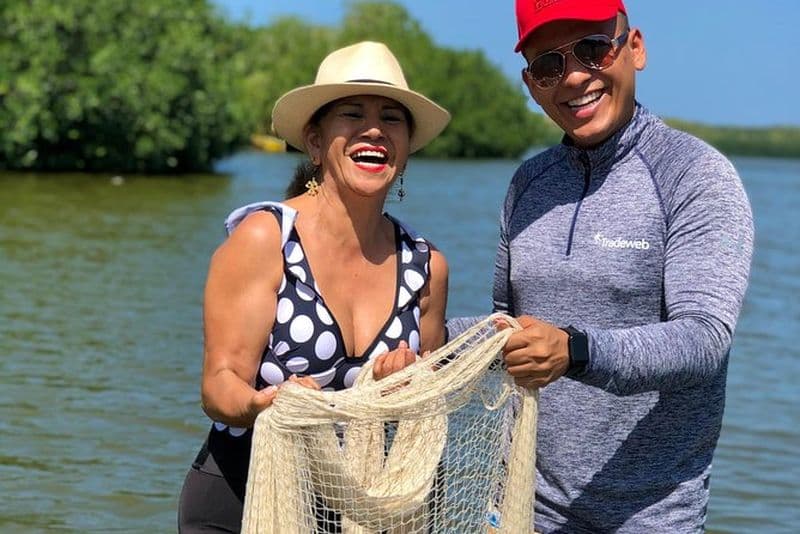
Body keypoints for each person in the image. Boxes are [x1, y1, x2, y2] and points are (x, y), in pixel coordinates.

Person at [452, 1, 753, 532]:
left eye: (593, 48)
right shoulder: (527, 185)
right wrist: (419, 336)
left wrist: (576, 351)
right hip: (522, 509)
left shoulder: (696, 176)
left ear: (634, 47)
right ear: (530, 83)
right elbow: (506, 333)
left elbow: (705, 340)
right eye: (548, 64)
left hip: (649, 520)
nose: (572, 77)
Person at [178, 41, 451, 533]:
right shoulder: (266, 238)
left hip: (363, 510)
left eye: (392, 118)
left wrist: (407, 381)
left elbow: (427, 399)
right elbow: (218, 385)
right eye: (351, 113)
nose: (374, 130)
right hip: (244, 496)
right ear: (315, 139)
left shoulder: (426, 265)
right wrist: (261, 403)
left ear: (408, 146)